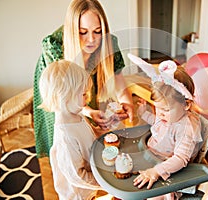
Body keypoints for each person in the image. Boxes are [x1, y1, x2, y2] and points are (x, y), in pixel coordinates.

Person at [33, 0, 133, 158]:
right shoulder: (54, 45)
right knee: (65, 136)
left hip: (81, 88)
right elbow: (63, 98)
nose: (92, 39)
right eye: (83, 32)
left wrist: (127, 101)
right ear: (73, 31)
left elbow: (118, 77)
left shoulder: (109, 42)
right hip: (60, 88)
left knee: (87, 131)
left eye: (98, 31)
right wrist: (87, 111)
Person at [128, 54, 203, 200]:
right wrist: (144, 113)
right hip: (149, 156)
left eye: (166, 110)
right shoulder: (168, 116)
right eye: (157, 108)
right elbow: (157, 123)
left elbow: (180, 159)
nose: (160, 114)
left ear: (186, 104)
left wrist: (156, 171)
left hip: (168, 170)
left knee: (155, 196)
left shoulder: (186, 128)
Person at [38, 60, 109, 200]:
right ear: (64, 97)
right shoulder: (65, 136)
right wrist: (107, 184)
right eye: (83, 94)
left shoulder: (77, 115)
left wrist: (101, 131)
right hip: (77, 194)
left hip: (89, 187)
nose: (88, 99)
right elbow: (77, 176)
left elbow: (87, 136)